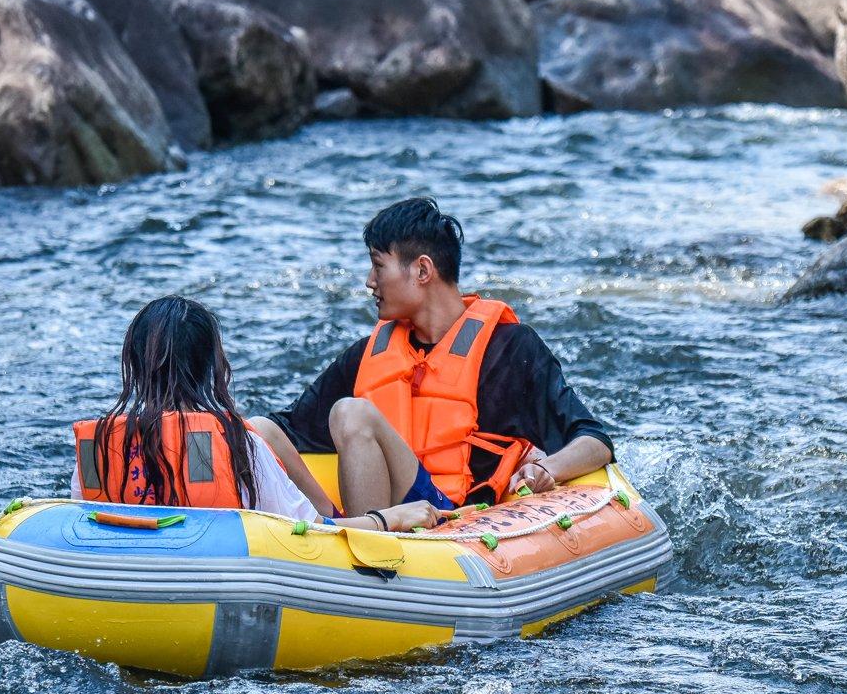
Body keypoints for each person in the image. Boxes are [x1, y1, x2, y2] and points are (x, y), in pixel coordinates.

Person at [253, 197, 613, 517]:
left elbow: (594, 441)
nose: (369, 282)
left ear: (423, 270)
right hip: (381, 517)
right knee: (262, 429)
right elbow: (288, 429)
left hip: (450, 518)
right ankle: (349, 535)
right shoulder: (366, 355)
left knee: (351, 412)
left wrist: (547, 469)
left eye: (378, 266)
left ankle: (370, 554)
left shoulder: (510, 349)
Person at [72, 296, 442, 533]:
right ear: (212, 367)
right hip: (223, 582)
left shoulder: (100, 446)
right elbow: (320, 532)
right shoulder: (236, 444)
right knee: (260, 431)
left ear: (133, 366)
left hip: (129, 581)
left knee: (264, 427)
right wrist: (388, 517)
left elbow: (80, 521)